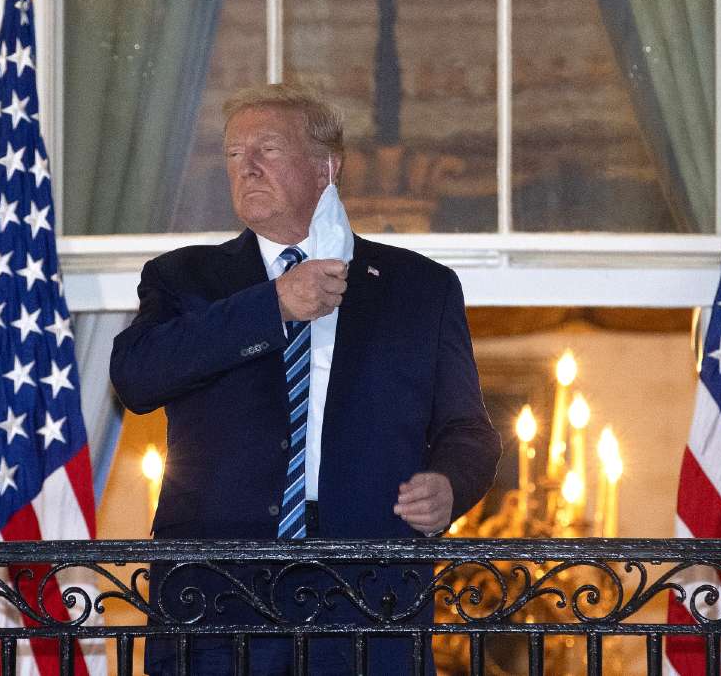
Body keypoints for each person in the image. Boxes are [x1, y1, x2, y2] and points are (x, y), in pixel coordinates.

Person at [110, 83, 501, 675]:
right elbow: (136, 378)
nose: (248, 167)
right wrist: (272, 306)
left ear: (326, 167)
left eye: (266, 149)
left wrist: (451, 486)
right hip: (216, 594)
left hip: (370, 593)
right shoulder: (184, 276)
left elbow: (468, 431)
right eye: (235, 155)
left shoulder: (420, 287)